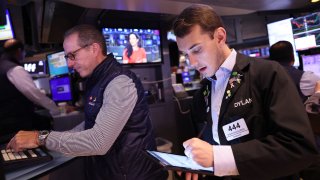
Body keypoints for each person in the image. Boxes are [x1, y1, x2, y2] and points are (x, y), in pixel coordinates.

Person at [173, 4, 318, 179]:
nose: (193, 62)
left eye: (197, 50)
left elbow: (298, 147)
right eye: (186, 54)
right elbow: (212, 140)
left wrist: (217, 157)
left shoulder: (267, 73)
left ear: (219, 36)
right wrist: (197, 161)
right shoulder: (204, 91)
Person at [6, 25, 167, 179]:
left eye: (72, 55)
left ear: (93, 48)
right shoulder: (96, 79)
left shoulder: (120, 82)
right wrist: (46, 142)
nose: (69, 63)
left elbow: (98, 142)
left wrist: (40, 138)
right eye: (67, 57)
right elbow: (89, 125)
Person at [0, 38, 59, 143]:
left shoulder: (2, 66)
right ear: (19, 51)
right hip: (14, 121)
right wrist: (56, 110)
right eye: (24, 52)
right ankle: (48, 155)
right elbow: (34, 94)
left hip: (4, 121)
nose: (24, 55)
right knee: (45, 122)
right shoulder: (14, 69)